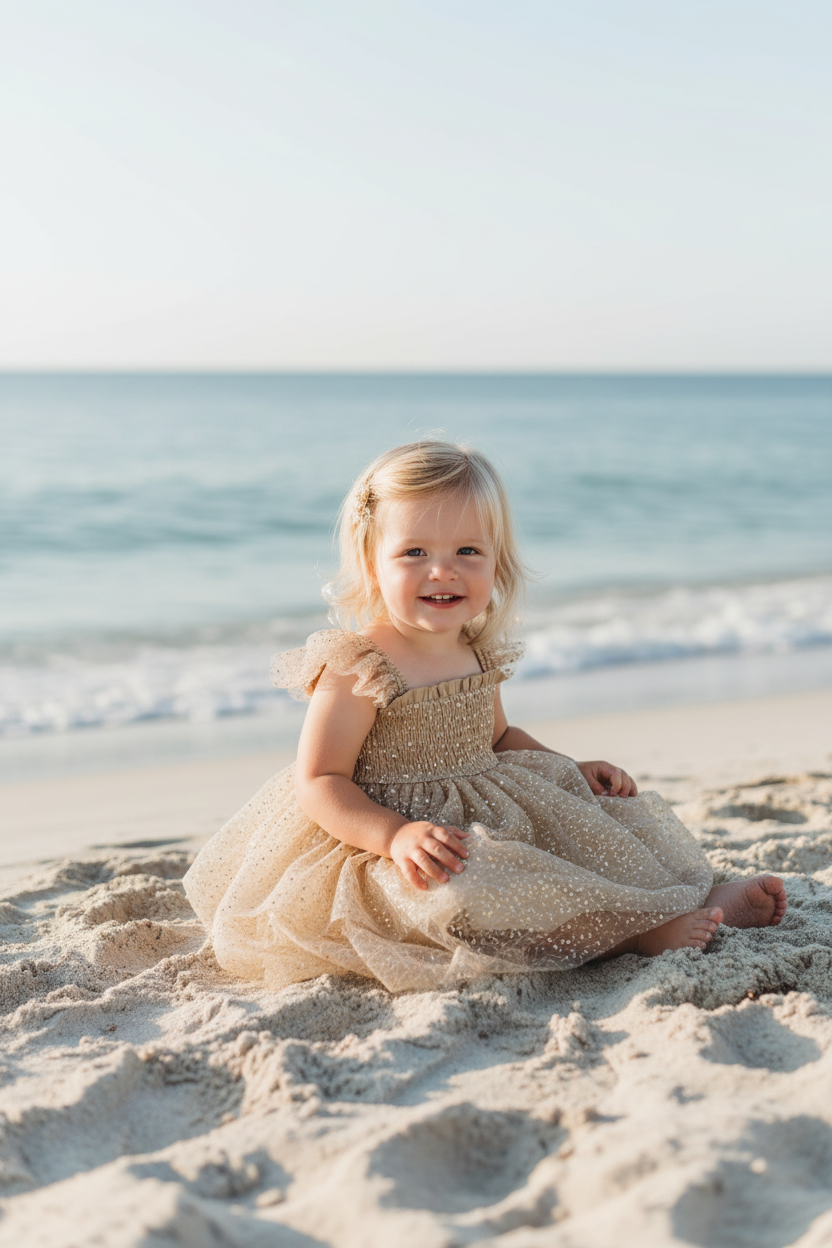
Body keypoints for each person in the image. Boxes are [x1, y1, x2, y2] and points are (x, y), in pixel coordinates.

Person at [183, 441, 787, 993]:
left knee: (606, 819)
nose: (441, 570)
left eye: (466, 552)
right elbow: (317, 782)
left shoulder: (474, 649)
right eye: (414, 552)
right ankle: (633, 937)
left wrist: (573, 766)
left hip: (485, 808)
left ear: (495, 564)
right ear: (373, 564)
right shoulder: (358, 665)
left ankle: (698, 899)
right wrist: (395, 836)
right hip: (395, 840)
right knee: (471, 891)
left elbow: (497, 738)